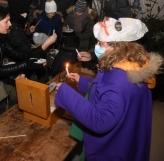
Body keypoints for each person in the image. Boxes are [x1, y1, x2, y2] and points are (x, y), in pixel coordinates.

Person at [55, 17, 163, 161]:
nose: (97, 46)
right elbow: (106, 89)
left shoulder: (119, 82)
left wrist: (65, 92)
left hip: (114, 148)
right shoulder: (130, 63)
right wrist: (82, 80)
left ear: (116, 46)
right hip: (129, 132)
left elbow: (99, 120)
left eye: (100, 43)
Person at [0, 6, 56, 113]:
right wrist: (26, 65)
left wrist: (44, 46)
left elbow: (20, 54)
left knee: (3, 114)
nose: (10, 24)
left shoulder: (0, 37)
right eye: (7, 21)